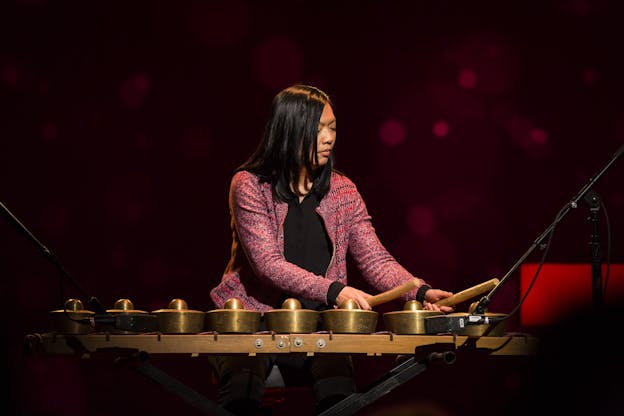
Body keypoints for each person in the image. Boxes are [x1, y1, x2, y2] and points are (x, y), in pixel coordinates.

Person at [209, 84, 455, 415]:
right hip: (253, 320)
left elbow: (374, 258)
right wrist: (336, 291)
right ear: (291, 129)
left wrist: (419, 292)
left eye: (333, 128)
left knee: (341, 398)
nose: (328, 138)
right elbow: (268, 264)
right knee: (240, 392)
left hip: (320, 326)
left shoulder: (342, 189)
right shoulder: (251, 184)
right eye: (319, 128)